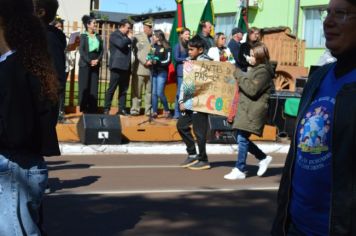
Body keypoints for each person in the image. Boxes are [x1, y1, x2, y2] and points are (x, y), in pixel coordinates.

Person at [272, 0, 356, 235]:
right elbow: (294, 159)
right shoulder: (319, 77)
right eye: (326, 12)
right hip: (296, 224)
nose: (328, 21)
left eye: (341, 13)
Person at [0, 0, 60, 235]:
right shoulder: (23, 62)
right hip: (18, 166)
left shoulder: (16, 67)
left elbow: (17, 131)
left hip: (14, 167)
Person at [224, 42, 274, 180]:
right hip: (246, 109)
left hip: (253, 111)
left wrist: (238, 73)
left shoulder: (263, 72)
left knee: (241, 138)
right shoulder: (255, 69)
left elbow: (252, 90)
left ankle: (240, 168)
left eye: (253, 56)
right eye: (250, 55)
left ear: (260, 58)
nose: (249, 58)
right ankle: (263, 157)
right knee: (241, 137)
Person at [177, 35, 212, 170]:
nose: (189, 52)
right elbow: (186, 84)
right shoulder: (189, 63)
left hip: (201, 104)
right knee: (181, 126)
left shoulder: (208, 64)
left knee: (199, 132)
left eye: (192, 50)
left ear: (201, 50)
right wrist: (182, 100)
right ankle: (192, 154)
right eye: (188, 49)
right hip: (188, 102)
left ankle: (204, 159)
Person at [34, 0, 66, 122]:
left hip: (42, 107)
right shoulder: (34, 35)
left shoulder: (50, 39)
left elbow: (57, 77)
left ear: (41, 12)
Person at [104, 19, 132, 116]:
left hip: (126, 67)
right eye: (128, 28)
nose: (129, 30)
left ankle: (122, 109)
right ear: (122, 26)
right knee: (112, 88)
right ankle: (106, 109)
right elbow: (121, 44)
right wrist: (129, 39)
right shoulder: (115, 35)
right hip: (117, 66)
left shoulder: (125, 37)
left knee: (123, 90)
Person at [78, 14, 103, 113]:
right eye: (94, 23)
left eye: (95, 23)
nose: (96, 25)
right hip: (85, 63)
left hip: (96, 62)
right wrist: (89, 61)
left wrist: (98, 60)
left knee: (94, 86)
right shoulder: (83, 36)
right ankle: (84, 108)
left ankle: (93, 108)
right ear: (88, 25)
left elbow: (102, 50)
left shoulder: (98, 36)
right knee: (84, 86)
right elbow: (82, 51)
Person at [130, 18, 153, 116]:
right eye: (149, 27)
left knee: (149, 92)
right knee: (137, 92)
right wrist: (145, 62)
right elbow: (138, 53)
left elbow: (152, 51)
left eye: (151, 27)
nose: (151, 29)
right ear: (145, 27)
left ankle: (148, 110)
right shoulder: (138, 37)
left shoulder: (152, 38)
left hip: (150, 69)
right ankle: (135, 109)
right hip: (140, 68)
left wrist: (152, 60)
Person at [150, 29, 171, 118]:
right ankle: (154, 112)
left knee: (159, 93)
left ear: (158, 37)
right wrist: (150, 60)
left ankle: (167, 110)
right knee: (154, 93)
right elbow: (150, 56)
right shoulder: (153, 46)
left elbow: (168, 60)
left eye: (154, 35)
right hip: (154, 72)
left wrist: (158, 62)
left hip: (162, 72)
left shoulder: (167, 47)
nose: (152, 37)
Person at [173, 27, 190, 119]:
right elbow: (176, 58)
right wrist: (185, 59)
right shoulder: (177, 46)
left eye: (189, 34)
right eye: (186, 34)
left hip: (188, 72)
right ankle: (176, 113)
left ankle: (185, 112)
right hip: (180, 72)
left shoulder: (189, 45)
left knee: (186, 92)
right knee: (179, 92)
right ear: (181, 35)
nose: (188, 36)